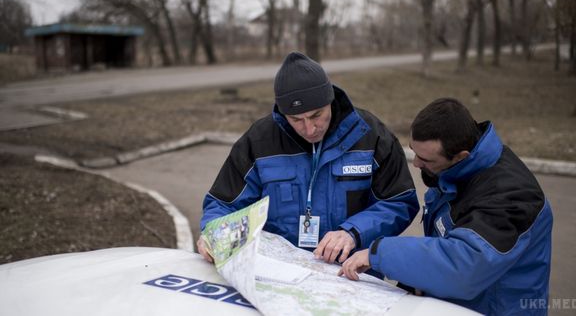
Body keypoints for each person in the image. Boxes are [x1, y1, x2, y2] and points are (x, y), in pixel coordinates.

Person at [198, 52, 419, 265]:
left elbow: (399, 201)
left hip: (351, 272)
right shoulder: (258, 141)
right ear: (283, 114)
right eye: (296, 119)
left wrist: (354, 232)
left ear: (330, 100)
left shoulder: (371, 136)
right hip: (281, 272)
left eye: (316, 115)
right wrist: (213, 233)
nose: (310, 128)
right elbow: (223, 203)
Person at [339, 98, 553, 315]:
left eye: (425, 159)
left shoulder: (512, 196)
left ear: (461, 156)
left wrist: (380, 254)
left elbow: (465, 266)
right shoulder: (456, 170)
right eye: (413, 150)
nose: (416, 164)